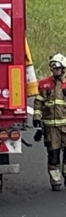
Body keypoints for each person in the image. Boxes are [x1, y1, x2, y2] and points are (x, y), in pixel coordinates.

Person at [35, 53, 66, 190]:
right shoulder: (44, 84)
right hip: (50, 129)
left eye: (57, 68)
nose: (55, 71)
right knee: (53, 155)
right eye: (53, 68)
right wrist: (36, 119)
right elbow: (38, 103)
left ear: (63, 69)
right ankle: (55, 181)